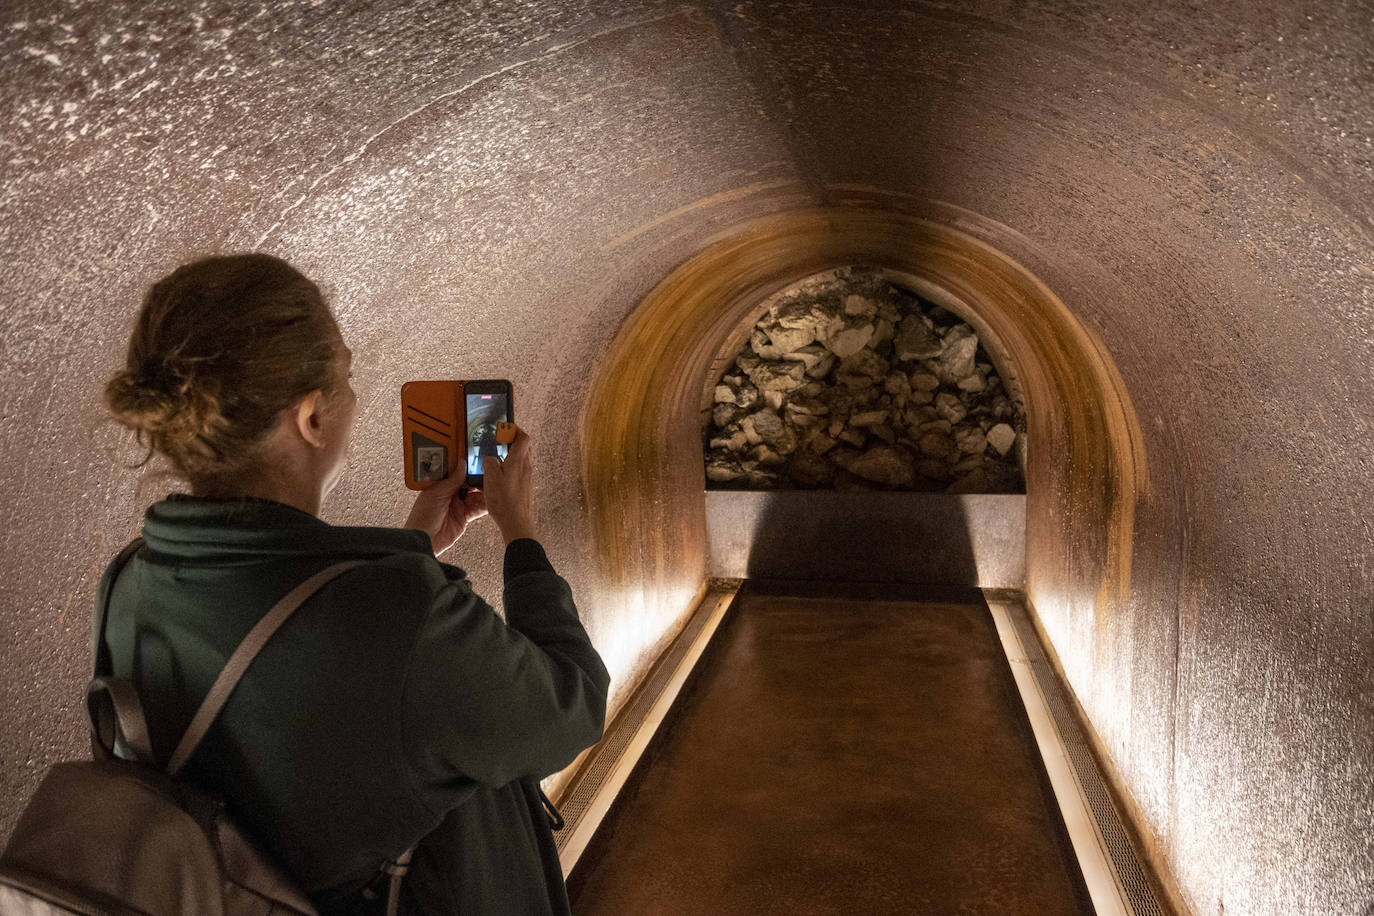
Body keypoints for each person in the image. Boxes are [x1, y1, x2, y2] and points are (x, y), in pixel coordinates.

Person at [99, 252, 610, 915]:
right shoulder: (401, 611)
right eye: (347, 375)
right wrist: (523, 536)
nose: (355, 396)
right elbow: (571, 708)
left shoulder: (130, 580)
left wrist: (415, 543)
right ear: (312, 419)